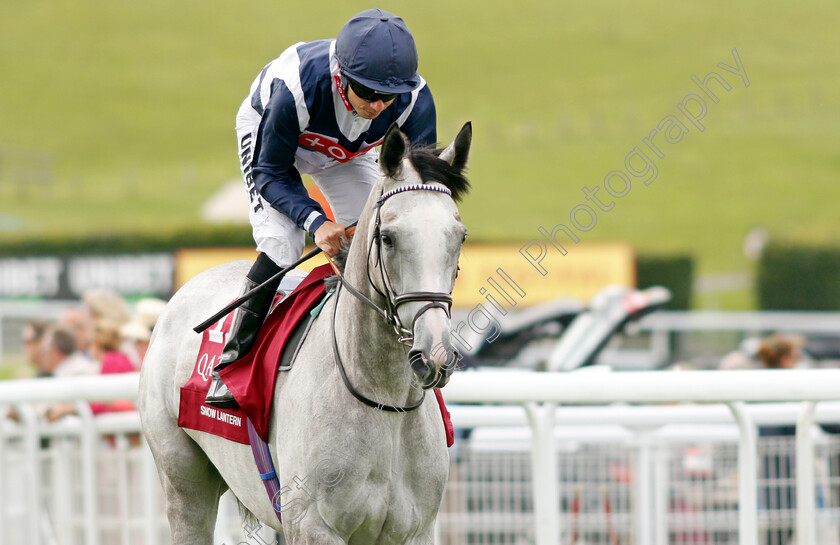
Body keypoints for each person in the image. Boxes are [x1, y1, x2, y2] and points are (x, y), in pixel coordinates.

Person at [206, 8, 437, 407]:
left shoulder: (414, 99)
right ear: (341, 76)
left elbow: (416, 186)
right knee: (283, 242)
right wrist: (317, 222)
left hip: (343, 153)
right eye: (367, 93)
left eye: (388, 96)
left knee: (380, 234)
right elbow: (270, 173)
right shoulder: (296, 88)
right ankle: (232, 365)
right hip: (275, 142)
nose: (379, 106)